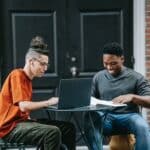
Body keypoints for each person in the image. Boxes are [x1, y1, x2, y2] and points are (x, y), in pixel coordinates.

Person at [0, 36, 76, 150]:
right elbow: (23, 106)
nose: (45, 68)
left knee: (68, 128)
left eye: (46, 65)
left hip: (23, 123)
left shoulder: (28, 80)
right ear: (31, 62)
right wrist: (48, 102)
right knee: (52, 132)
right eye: (42, 64)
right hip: (9, 129)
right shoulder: (17, 75)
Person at [84, 42, 150, 150]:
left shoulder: (136, 77)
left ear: (122, 59)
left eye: (113, 63)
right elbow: (89, 99)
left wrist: (133, 97)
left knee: (142, 126)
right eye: (105, 63)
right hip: (105, 118)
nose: (109, 67)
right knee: (89, 118)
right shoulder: (98, 77)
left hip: (129, 117)